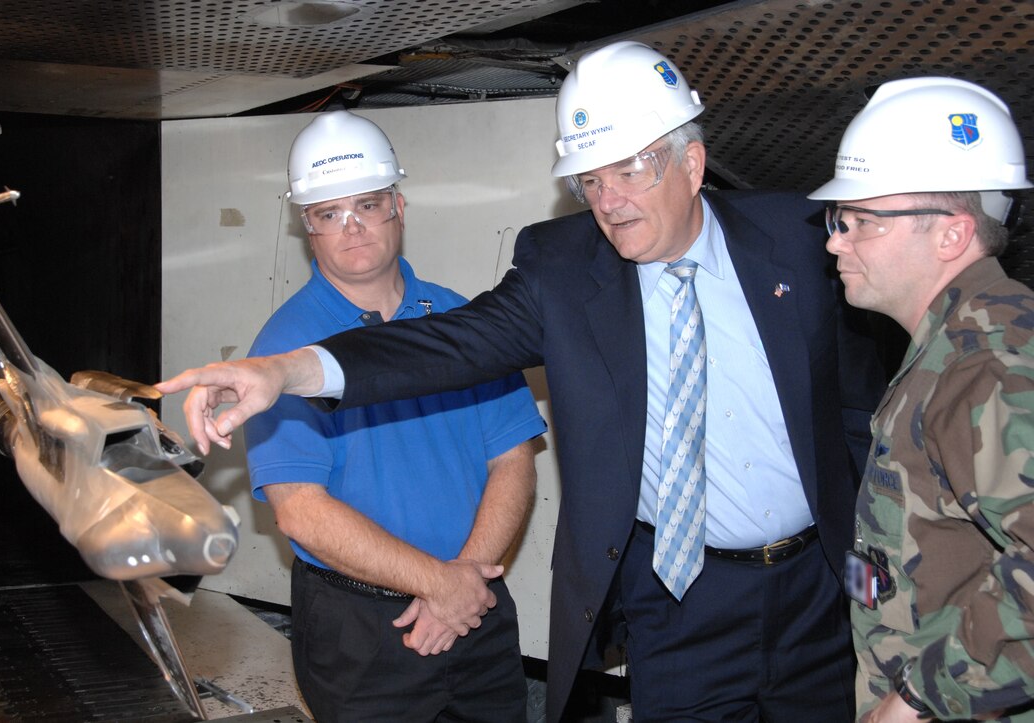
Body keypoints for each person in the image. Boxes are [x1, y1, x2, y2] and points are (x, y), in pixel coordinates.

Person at [159, 43, 884, 722]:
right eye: (590, 181)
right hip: (679, 597)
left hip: (819, 588)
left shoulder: (802, 238)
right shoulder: (562, 272)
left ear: (692, 164)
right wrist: (282, 370)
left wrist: (874, 556)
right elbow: (445, 346)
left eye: (628, 171)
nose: (609, 201)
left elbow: (864, 404)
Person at [234, 110, 546, 722]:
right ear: (307, 226)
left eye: (368, 205)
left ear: (398, 207)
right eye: (330, 214)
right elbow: (301, 510)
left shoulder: (463, 321)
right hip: (361, 633)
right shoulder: (286, 351)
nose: (352, 227)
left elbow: (512, 458)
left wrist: (460, 582)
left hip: (474, 605)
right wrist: (437, 584)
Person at [808, 77, 1034, 722]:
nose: (835, 240)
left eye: (862, 221)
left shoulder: (988, 365)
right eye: (838, 219)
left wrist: (918, 699)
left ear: (951, 236)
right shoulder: (958, 341)